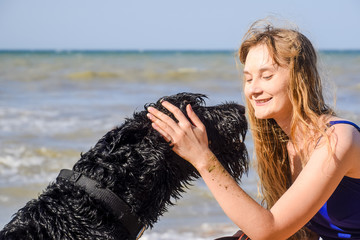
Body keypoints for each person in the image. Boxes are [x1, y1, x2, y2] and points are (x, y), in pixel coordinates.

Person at [146, 19, 360, 240]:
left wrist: (202, 157)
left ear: (300, 78)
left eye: (267, 76)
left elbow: (270, 230)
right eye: (248, 78)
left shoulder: (337, 138)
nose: (253, 89)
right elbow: (304, 232)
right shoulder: (289, 145)